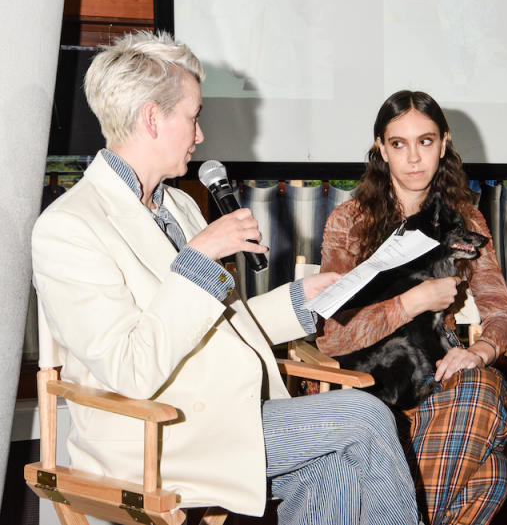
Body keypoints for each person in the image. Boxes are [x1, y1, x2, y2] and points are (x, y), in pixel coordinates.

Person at [30, 31, 418, 525]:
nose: (200, 136)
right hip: (157, 434)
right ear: (152, 118)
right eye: (193, 116)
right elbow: (129, 370)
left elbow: (221, 322)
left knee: (333, 462)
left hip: (224, 412)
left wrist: (299, 301)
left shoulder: (179, 204)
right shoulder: (69, 226)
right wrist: (197, 261)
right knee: (363, 418)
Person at [314, 90, 507, 525]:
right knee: (490, 474)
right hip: (367, 391)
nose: (413, 158)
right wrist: (411, 302)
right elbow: (331, 335)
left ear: (444, 143)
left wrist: (478, 352)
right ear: (381, 149)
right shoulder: (350, 223)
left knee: (481, 387)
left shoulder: (466, 222)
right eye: (398, 144)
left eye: (425, 142)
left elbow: (501, 314)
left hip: (439, 385)